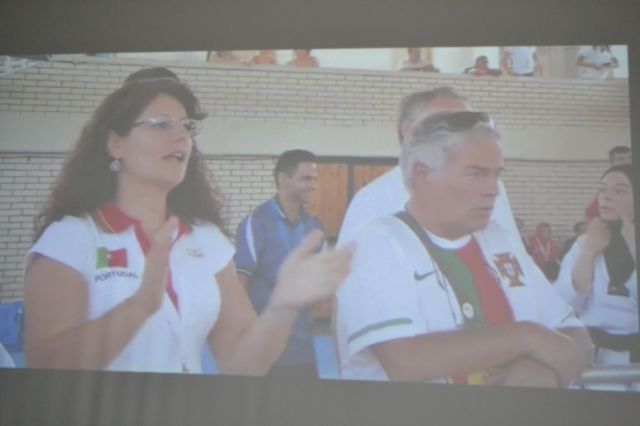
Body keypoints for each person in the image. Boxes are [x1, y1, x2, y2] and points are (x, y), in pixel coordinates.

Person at [23, 78, 355, 374]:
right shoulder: (70, 238)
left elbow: (242, 364)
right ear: (116, 144)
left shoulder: (207, 240)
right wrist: (140, 307)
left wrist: (282, 307)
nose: (182, 135)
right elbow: (46, 364)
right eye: (161, 124)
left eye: (187, 127)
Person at [335, 111, 592, 386]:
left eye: (496, 175)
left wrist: (535, 372)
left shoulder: (499, 239)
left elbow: (576, 338)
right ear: (422, 175)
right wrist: (528, 337)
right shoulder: (377, 241)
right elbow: (405, 362)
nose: (494, 190)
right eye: (476, 174)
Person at [337, 87, 522, 250]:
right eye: (448, 125)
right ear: (408, 131)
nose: (465, 136)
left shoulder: (493, 188)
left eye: (469, 126)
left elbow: (512, 255)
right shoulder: (371, 200)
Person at [234, 149, 323, 378]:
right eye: (306, 178)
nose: (313, 185)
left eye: (314, 179)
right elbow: (238, 284)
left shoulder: (314, 226)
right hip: (264, 350)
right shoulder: (256, 222)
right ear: (283, 179)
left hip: (303, 350)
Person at [556, 164, 637, 365]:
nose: (606, 197)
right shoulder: (584, 243)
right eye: (602, 190)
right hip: (595, 357)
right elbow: (565, 304)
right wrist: (588, 252)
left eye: (620, 191)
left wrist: (633, 246)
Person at [585, 146, 632, 221]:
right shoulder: (609, 177)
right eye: (620, 159)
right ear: (612, 163)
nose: (627, 161)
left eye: (630, 158)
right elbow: (591, 212)